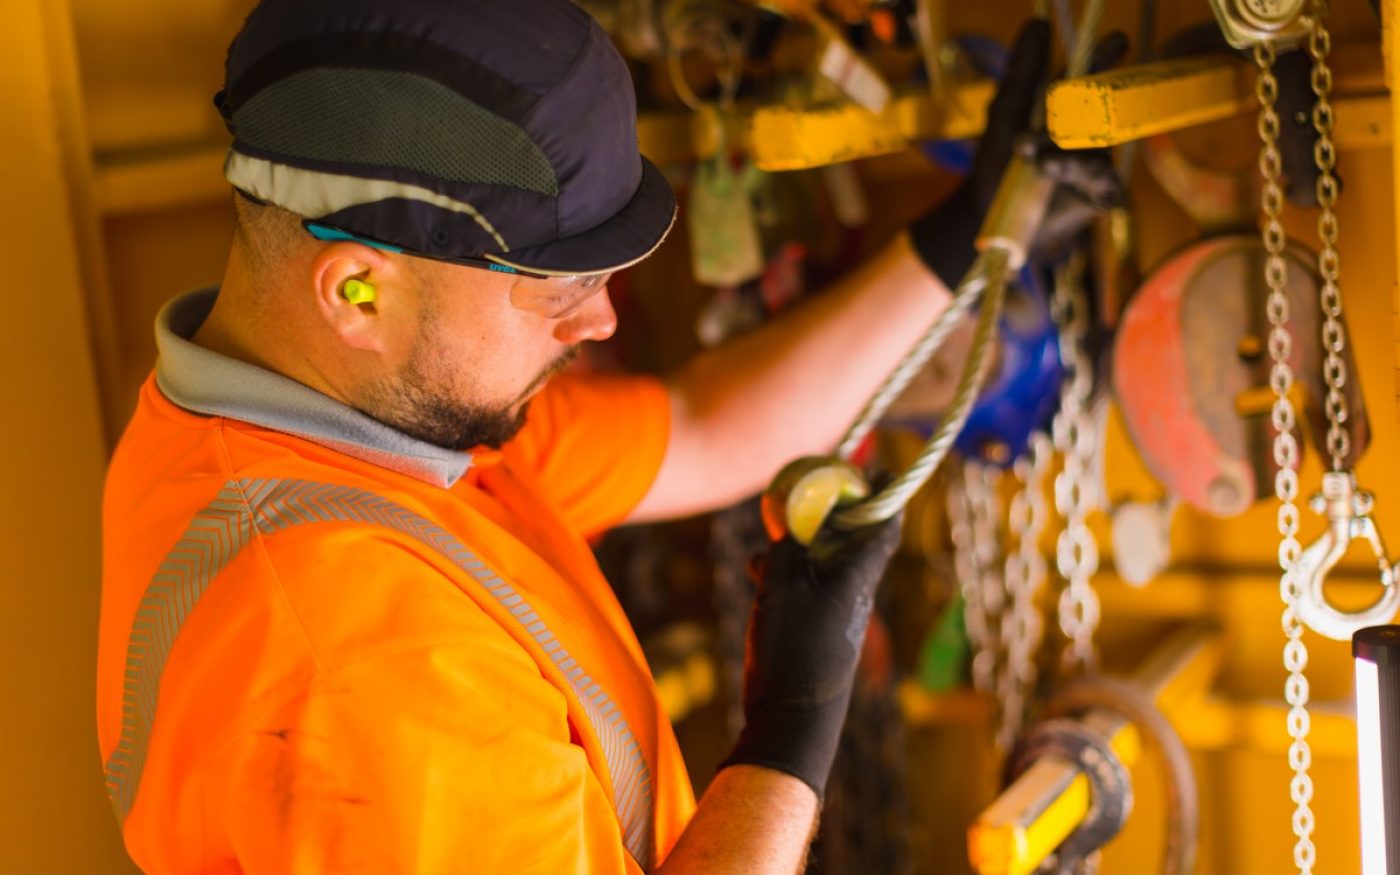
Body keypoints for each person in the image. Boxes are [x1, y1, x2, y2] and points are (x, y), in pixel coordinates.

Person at [96, 1, 1110, 871]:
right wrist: (794, 722)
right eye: (559, 290)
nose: (601, 323)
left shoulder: (351, 429)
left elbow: (707, 430)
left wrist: (976, 230)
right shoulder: (358, 663)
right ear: (358, 287)